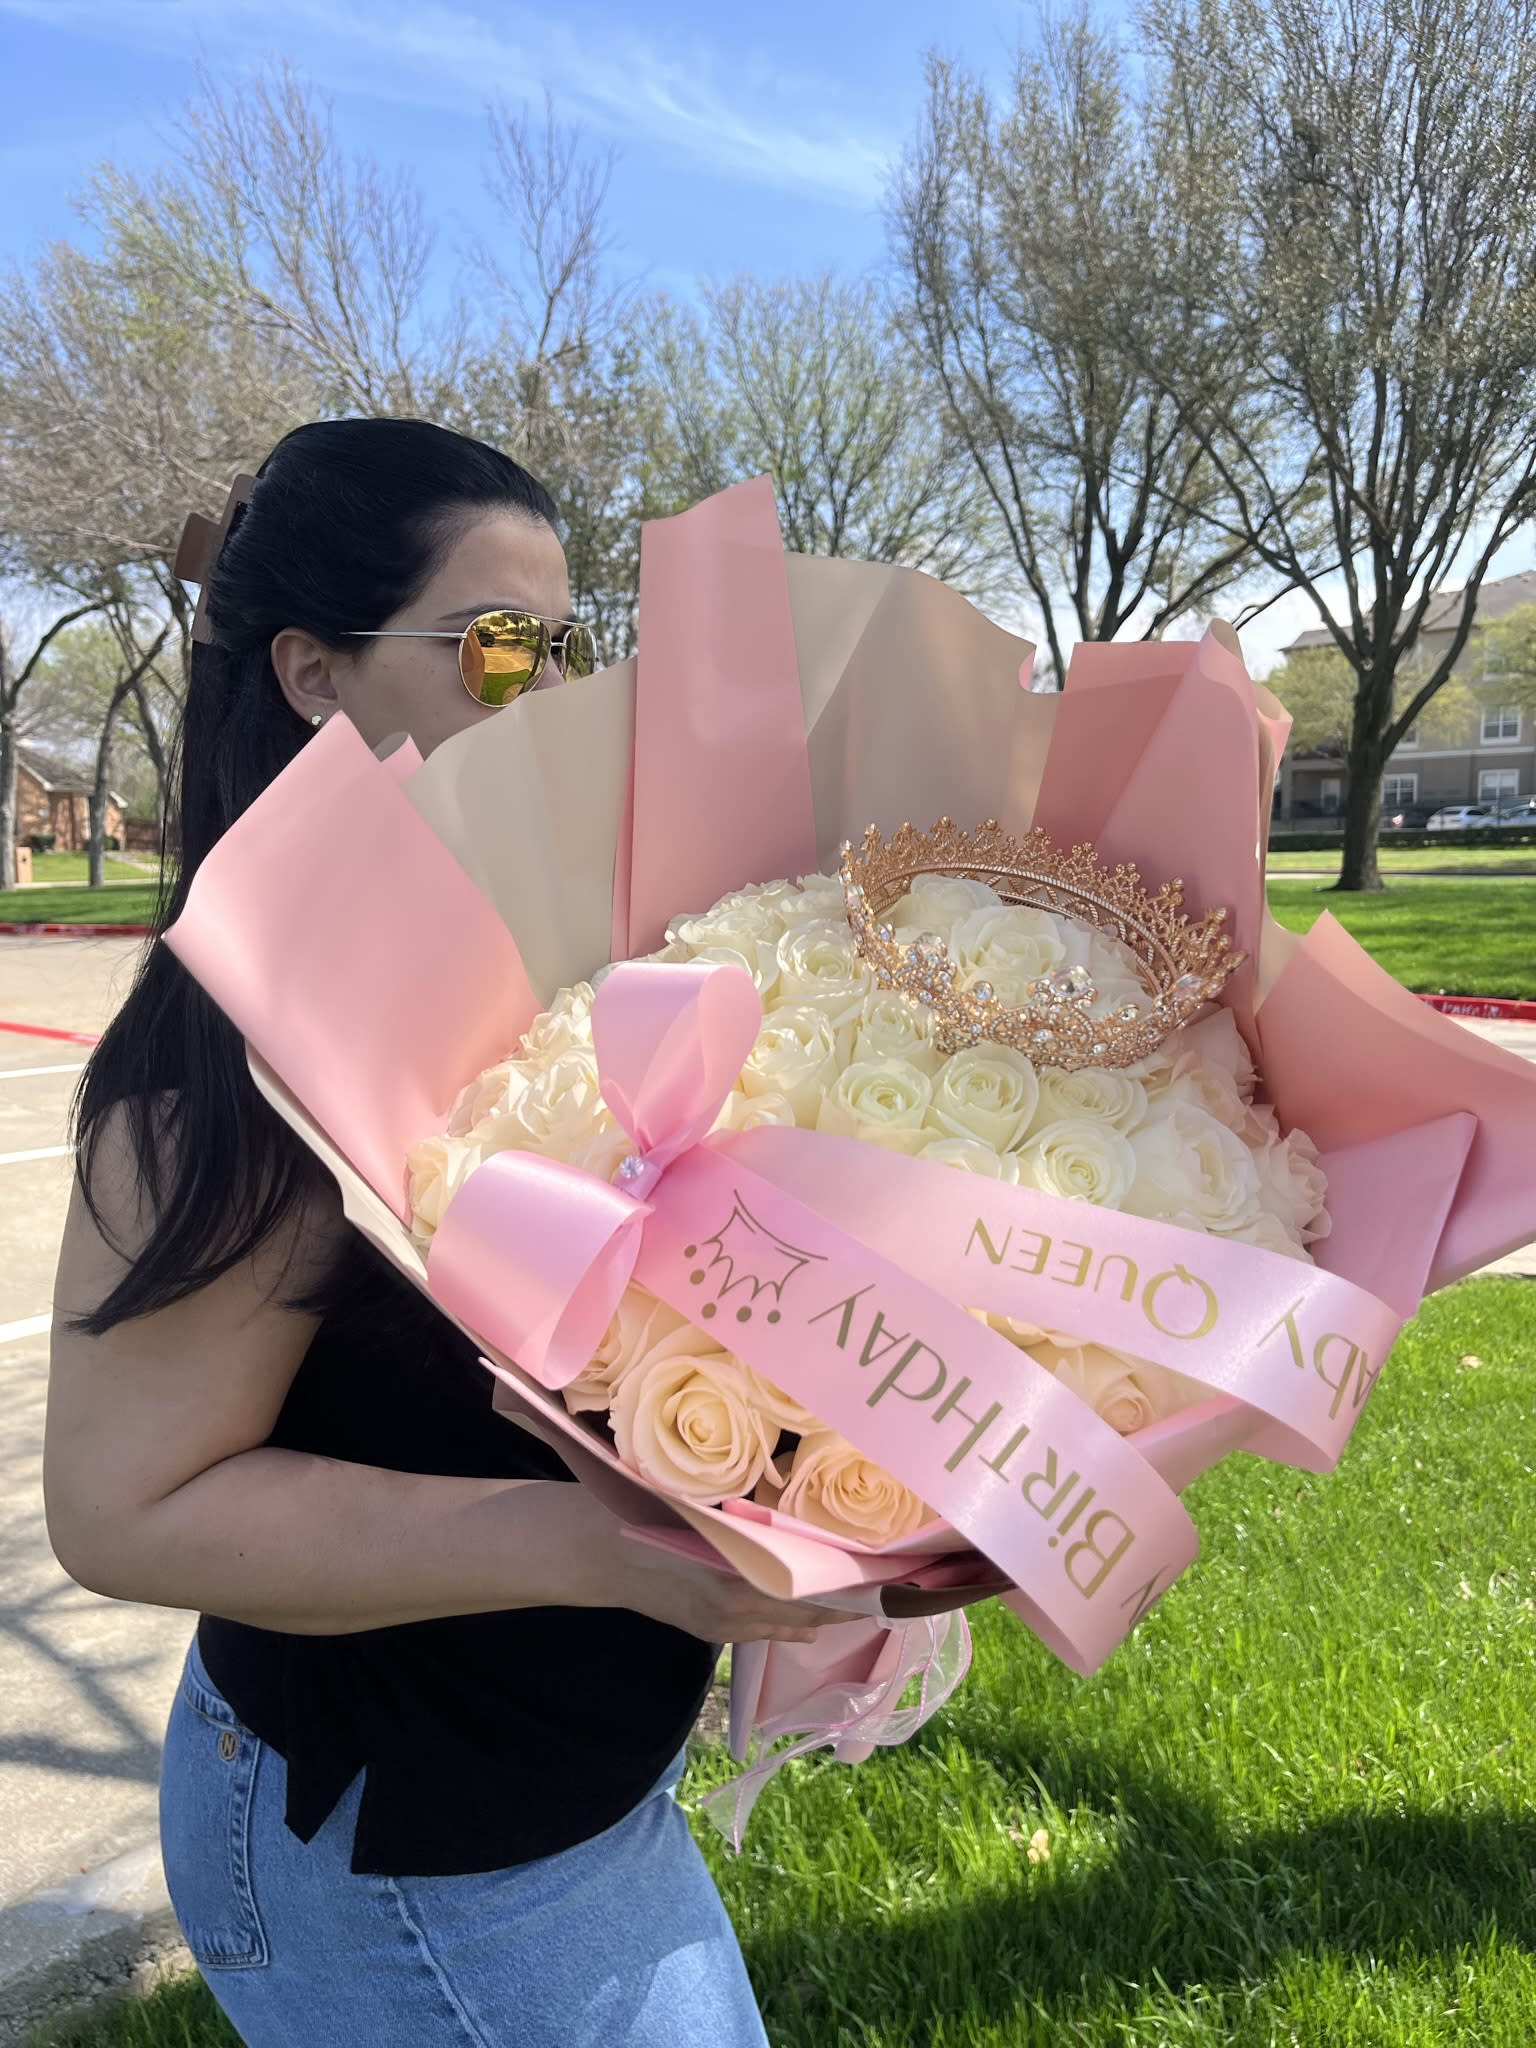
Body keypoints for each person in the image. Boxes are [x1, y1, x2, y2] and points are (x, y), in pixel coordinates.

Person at [44, 417, 855, 2047]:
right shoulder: (233, 1053)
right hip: (410, 1853)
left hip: (549, 1788)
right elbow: (120, 1510)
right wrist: (606, 1553)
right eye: (497, 646)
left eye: (571, 645)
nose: (556, 691)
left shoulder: (516, 940)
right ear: (313, 675)